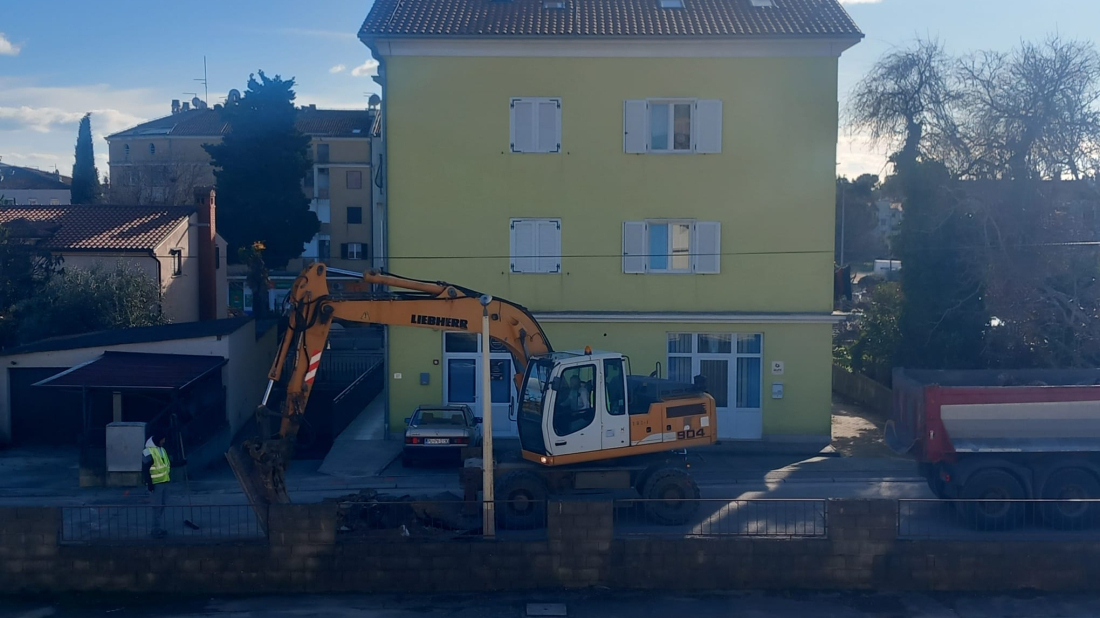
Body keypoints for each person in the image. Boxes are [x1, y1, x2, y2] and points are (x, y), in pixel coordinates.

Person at [142, 431, 184, 539]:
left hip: (165, 482)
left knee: (162, 504)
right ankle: (155, 529)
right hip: (156, 484)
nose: (164, 441)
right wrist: (149, 484)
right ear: (158, 440)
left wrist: (181, 463)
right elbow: (145, 469)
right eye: (163, 439)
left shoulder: (162, 450)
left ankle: (157, 527)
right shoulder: (148, 452)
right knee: (157, 506)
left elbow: (168, 464)